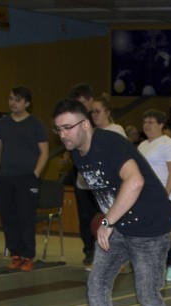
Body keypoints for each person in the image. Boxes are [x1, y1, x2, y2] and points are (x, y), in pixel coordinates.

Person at [52, 98, 171, 306]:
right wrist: (110, 222)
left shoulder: (110, 144)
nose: (63, 135)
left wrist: (107, 221)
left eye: (68, 127)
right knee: (96, 285)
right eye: (58, 130)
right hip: (120, 226)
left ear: (85, 124)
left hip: (150, 228)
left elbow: (135, 181)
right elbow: (106, 189)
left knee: (146, 292)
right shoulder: (77, 154)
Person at [0, 86, 49, 272]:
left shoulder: (36, 124)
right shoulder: (3, 123)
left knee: (25, 218)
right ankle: (15, 254)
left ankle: (27, 256)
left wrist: (35, 174)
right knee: (9, 218)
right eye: (11, 99)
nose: (13, 103)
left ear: (27, 103)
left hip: (27, 178)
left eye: (17, 99)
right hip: (5, 178)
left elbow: (44, 152)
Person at [138, 109, 171, 282]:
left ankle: (170, 266)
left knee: (163, 234)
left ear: (161, 125)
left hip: (161, 197)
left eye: (151, 122)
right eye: (145, 122)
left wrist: (164, 194)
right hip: (143, 197)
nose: (147, 126)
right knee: (145, 233)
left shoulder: (168, 144)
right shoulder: (142, 145)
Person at [64, 83, 103, 267]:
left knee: (103, 214)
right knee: (85, 216)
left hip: (101, 176)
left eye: (82, 102)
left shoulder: (98, 120)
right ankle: (88, 250)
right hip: (82, 177)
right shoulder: (73, 121)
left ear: (90, 100)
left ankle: (103, 249)